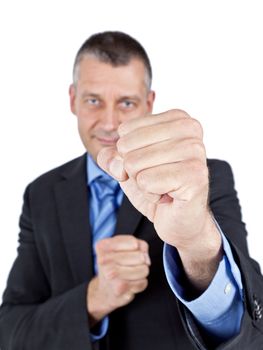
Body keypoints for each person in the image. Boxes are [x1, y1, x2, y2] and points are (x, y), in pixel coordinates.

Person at [0, 31, 262, 350]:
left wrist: (196, 244)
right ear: (73, 99)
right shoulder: (40, 194)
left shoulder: (201, 179)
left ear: (149, 104)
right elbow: (11, 329)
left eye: (126, 102)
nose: (109, 123)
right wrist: (95, 298)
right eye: (93, 100)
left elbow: (248, 325)